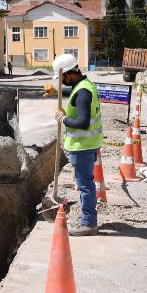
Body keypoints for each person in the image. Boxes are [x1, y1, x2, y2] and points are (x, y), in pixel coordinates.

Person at [51, 53, 103, 236]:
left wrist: (63, 119)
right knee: (85, 184)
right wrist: (55, 91)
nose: (62, 82)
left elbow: (83, 122)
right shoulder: (84, 85)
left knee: (85, 186)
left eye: (62, 78)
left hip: (82, 146)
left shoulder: (82, 92)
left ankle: (89, 224)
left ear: (70, 74)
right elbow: (74, 95)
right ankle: (87, 220)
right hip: (87, 145)